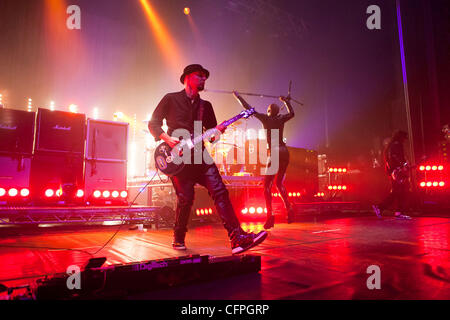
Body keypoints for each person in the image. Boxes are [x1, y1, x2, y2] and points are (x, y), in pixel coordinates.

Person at [148, 64, 267, 254]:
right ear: (187, 77)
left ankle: (237, 238)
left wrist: (217, 133)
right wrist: (167, 138)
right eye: (200, 76)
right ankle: (178, 238)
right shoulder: (170, 99)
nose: (204, 79)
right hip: (177, 158)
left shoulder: (206, 106)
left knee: (220, 191)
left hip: (200, 156)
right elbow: (153, 123)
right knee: (185, 199)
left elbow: (212, 136)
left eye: (205, 77)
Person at [233, 91, 295, 229]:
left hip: (274, 152)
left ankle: (270, 217)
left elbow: (248, 109)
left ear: (268, 111)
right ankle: (289, 208)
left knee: (266, 186)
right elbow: (292, 114)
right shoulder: (280, 119)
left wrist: (238, 97)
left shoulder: (265, 119)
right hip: (285, 152)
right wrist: (286, 102)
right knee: (279, 183)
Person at [372, 130, 412, 219]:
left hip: (394, 171)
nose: (405, 140)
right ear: (401, 137)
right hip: (397, 171)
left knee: (397, 191)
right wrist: (403, 165)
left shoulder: (390, 146)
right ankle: (391, 210)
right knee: (401, 191)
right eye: (404, 138)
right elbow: (396, 157)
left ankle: (385, 208)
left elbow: (391, 158)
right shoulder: (397, 145)